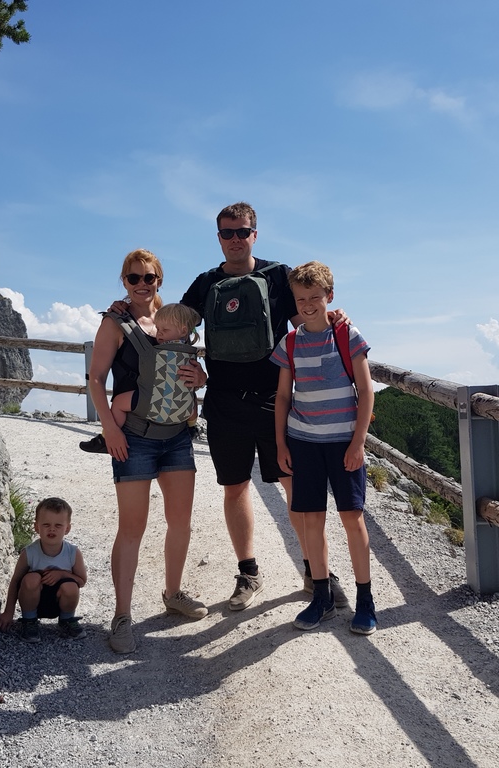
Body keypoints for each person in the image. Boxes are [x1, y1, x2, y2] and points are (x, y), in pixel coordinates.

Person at [179, 202, 349, 611]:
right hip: (222, 399)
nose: (235, 239)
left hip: (277, 402)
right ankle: (248, 573)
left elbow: (308, 324)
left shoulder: (277, 276)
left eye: (243, 232)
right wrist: (123, 314)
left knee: (295, 488)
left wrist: (335, 317)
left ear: (256, 234)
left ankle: (316, 571)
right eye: (227, 233)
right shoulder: (204, 284)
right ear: (218, 237)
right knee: (234, 487)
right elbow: (170, 328)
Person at [87, 249, 208, 654]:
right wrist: (109, 430)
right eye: (134, 278)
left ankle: (173, 593)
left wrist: (200, 377)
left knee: (181, 522)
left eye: (149, 278)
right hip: (134, 437)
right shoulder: (115, 321)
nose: (142, 285)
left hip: (176, 435)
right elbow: (96, 379)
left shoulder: (172, 320)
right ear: (123, 281)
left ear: (160, 280)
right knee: (132, 528)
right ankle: (122, 616)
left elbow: (191, 372)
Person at [271, 261, 378, 634]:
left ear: (329, 296)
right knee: (311, 519)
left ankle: (365, 601)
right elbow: (284, 396)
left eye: (315, 297)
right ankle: (322, 597)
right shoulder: (290, 341)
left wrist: (358, 442)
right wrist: (281, 443)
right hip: (303, 442)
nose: (308, 304)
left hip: (343, 442)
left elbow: (366, 391)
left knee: (352, 518)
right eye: (301, 298)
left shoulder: (347, 335)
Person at [79, 302, 202, 454]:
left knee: (118, 402)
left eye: (164, 330)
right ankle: (192, 427)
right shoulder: (188, 347)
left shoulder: (157, 348)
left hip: (151, 396)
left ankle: (106, 436)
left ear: (183, 329)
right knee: (192, 402)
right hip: (180, 401)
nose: (159, 334)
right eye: (158, 329)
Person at [0, 497, 89, 642]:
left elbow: (81, 581)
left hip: (58, 602)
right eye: (46, 525)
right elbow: (15, 581)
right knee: (31, 579)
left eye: (58, 525)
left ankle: (67, 620)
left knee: (71, 586)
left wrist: (62, 574)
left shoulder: (73, 553)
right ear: (36, 527)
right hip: (33, 601)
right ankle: (29, 621)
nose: (52, 529)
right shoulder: (29, 553)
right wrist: (9, 612)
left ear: (67, 529)